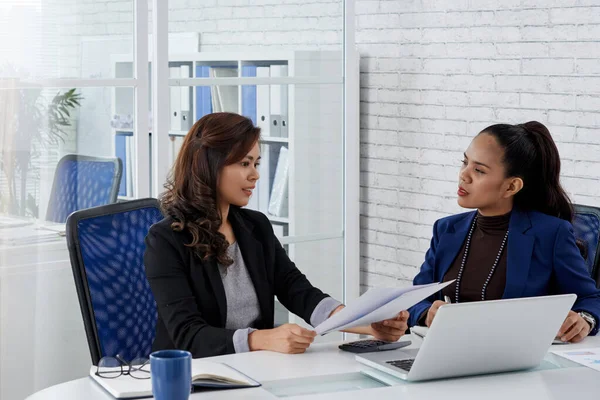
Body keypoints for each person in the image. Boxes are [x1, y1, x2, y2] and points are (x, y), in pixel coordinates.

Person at [144, 112, 409, 358]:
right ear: (209, 165)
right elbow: (187, 335)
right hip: (194, 375)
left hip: (254, 369)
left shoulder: (255, 227)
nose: (255, 174)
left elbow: (299, 292)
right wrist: (260, 339)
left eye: (256, 163)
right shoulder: (166, 241)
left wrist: (367, 325)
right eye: (244, 163)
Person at [408, 121, 600, 343]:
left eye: (479, 170)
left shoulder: (550, 233)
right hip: (445, 351)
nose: (464, 175)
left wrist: (585, 319)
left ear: (511, 187)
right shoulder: (446, 229)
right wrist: (426, 313)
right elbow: (414, 299)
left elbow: (590, 297)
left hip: (514, 356)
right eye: (465, 162)